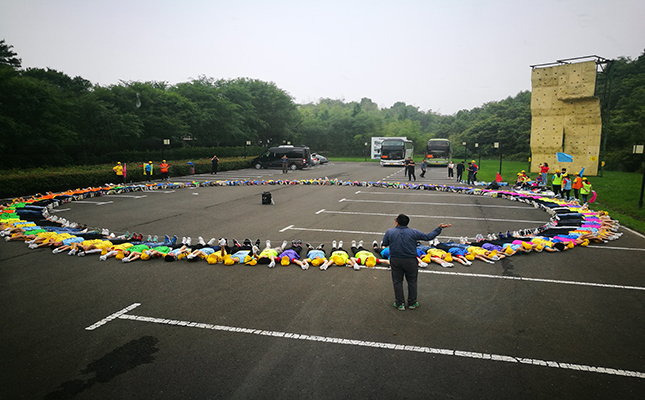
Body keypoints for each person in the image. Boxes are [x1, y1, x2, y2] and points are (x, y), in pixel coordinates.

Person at [382, 214, 451, 311]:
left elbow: (385, 244)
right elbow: (428, 237)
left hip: (396, 260)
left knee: (397, 281)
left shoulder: (390, 231)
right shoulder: (413, 232)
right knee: (412, 281)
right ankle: (412, 303)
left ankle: (400, 303)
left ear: (396, 222)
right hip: (410, 260)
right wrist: (439, 228)